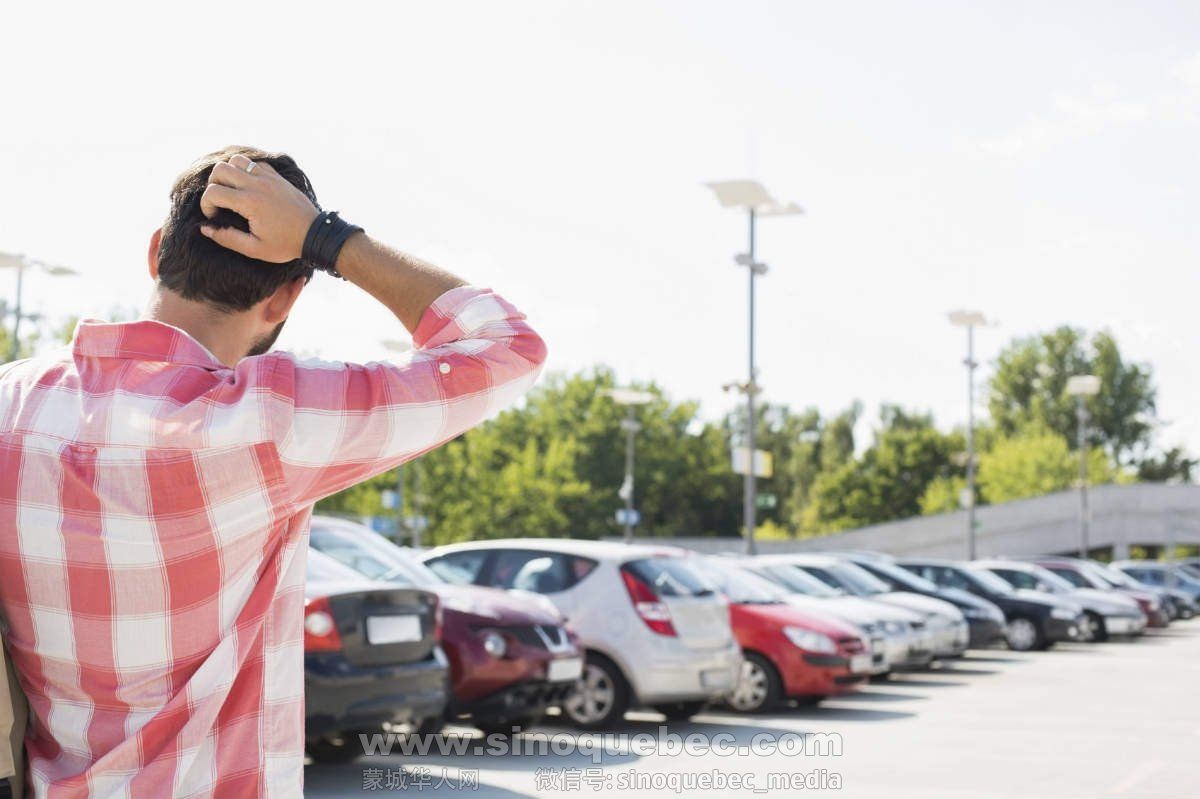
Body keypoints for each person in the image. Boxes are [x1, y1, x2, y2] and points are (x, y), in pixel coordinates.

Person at [0, 146, 546, 798]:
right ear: (286, 296)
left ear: (155, 254)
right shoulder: (269, 423)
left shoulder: (14, 404)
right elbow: (506, 345)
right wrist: (327, 238)